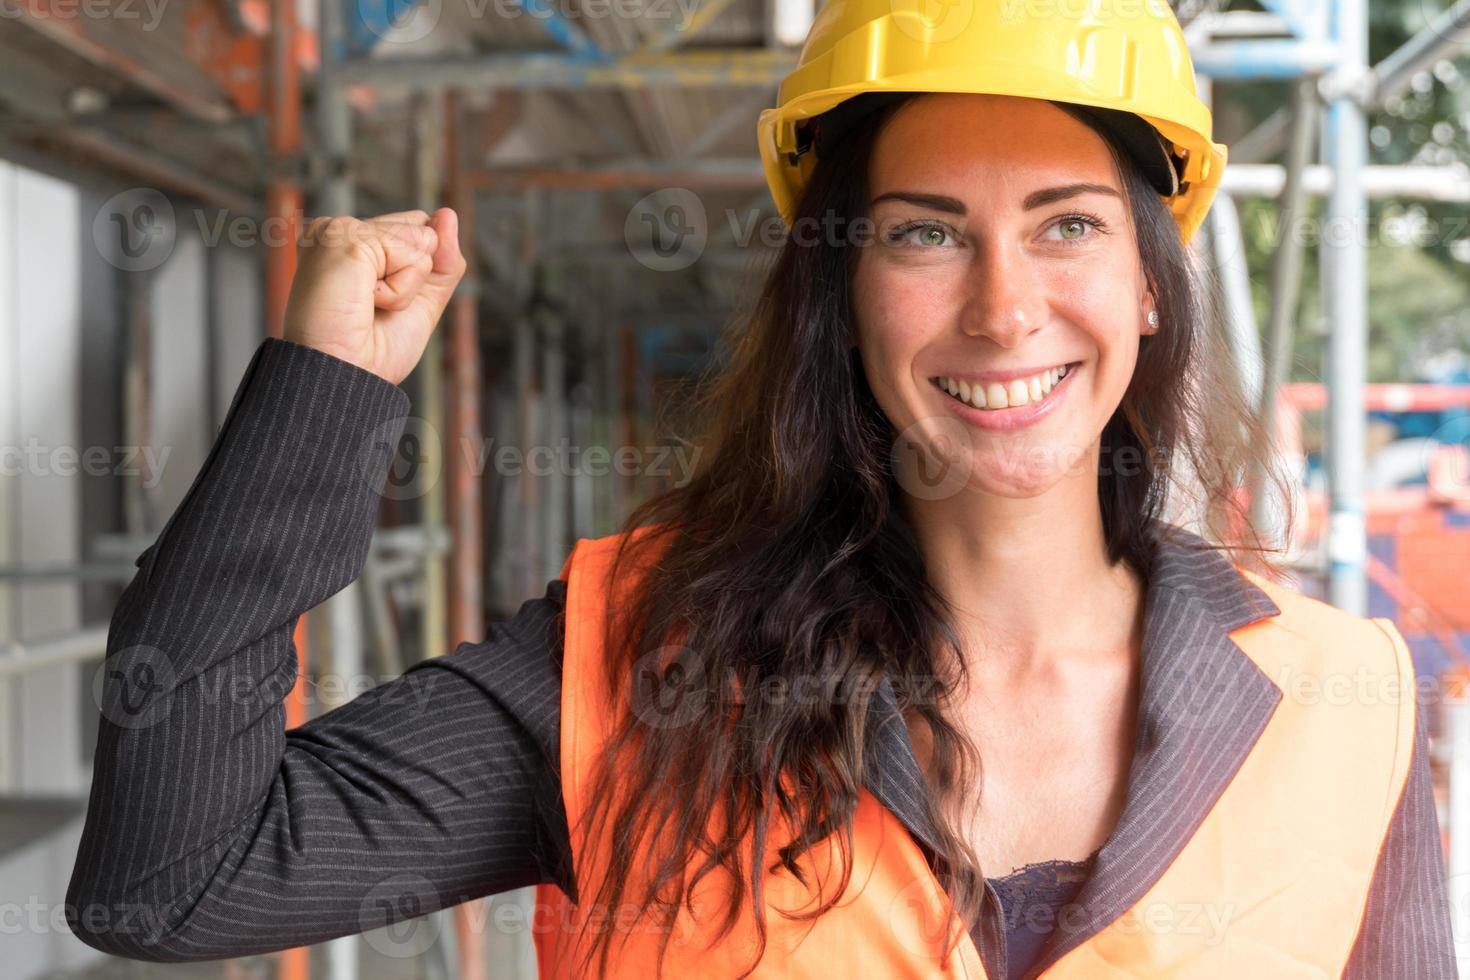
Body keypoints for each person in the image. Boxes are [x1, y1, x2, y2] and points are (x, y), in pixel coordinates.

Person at [65, 0, 1457, 977]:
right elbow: (171, 878)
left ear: (1150, 288)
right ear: (841, 296)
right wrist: (320, 404)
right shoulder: (635, 670)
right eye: (924, 234)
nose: (1002, 306)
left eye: (1067, 225)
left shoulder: (1351, 710)